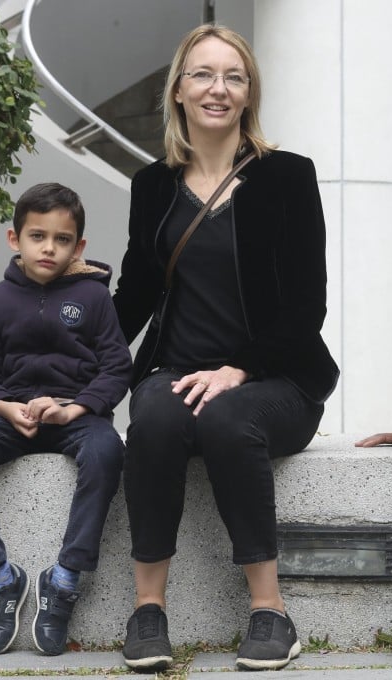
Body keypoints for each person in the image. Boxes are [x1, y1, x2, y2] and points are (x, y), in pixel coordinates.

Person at [112, 24, 338, 673]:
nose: (219, 88)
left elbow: (307, 304)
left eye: (233, 76)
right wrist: (80, 361)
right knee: (151, 415)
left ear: (248, 93)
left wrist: (239, 369)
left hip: (276, 381)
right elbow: (135, 294)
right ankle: (148, 609)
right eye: (204, 75)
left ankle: (271, 612)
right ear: (179, 90)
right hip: (177, 374)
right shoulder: (153, 184)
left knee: (228, 417)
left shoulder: (288, 177)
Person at [0, 182, 131, 656]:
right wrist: (4, 406)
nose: (49, 248)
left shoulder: (93, 298)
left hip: (75, 417)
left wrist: (75, 407)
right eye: (37, 236)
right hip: (14, 418)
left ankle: (64, 579)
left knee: (108, 451)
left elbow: (116, 369)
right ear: (14, 239)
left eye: (62, 240)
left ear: (78, 246)